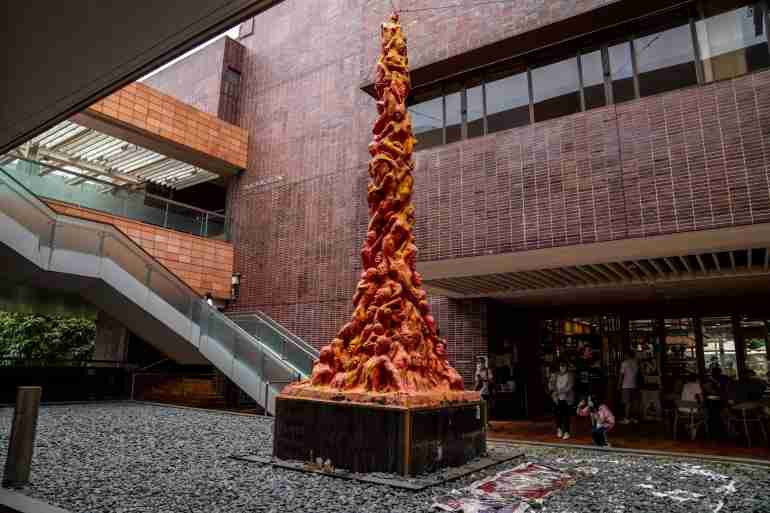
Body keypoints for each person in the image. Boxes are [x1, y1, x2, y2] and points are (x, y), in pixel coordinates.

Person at [553, 360, 575, 440]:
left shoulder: (570, 375)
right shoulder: (556, 375)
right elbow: (553, 384)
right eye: (561, 366)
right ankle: (559, 429)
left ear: (566, 367)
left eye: (564, 366)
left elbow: (570, 386)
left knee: (566, 416)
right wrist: (556, 392)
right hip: (557, 398)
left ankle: (567, 432)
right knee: (558, 415)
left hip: (567, 398)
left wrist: (561, 391)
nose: (562, 368)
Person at [618, 350, 640, 424]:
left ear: (627, 355)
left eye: (625, 354)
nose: (624, 356)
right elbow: (637, 375)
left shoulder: (624, 363)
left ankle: (626, 418)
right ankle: (634, 418)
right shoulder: (635, 363)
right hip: (634, 385)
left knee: (627, 403)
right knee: (634, 403)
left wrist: (619, 384)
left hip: (626, 385)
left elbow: (621, 375)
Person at [475, 356, 494, 427]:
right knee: (478, 408)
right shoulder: (477, 371)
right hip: (478, 392)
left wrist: (484, 378)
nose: (479, 364)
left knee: (486, 408)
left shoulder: (487, 370)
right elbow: (477, 383)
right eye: (478, 363)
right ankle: (480, 422)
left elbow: (491, 381)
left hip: (485, 392)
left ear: (484, 363)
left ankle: (486, 422)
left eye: (480, 362)